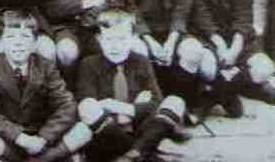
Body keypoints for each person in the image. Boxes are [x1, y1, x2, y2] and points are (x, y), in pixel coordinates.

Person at [0, 11, 90, 162]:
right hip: (10, 138)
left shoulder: (45, 65)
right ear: (0, 42)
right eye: (10, 37)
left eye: (25, 37)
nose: (18, 43)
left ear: (35, 44)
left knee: (83, 131)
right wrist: (19, 137)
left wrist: (44, 137)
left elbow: (67, 105)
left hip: (42, 137)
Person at [76, 9, 190, 162]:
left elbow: (156, 101)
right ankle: (143, 153)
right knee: (87, 107)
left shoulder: (141, 61)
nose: (115, 47)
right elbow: (87, 102)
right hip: (107, 135)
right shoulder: (89, 64)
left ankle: (132, 156)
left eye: (122, 40)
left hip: (139, 129)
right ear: (99, 39)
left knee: (175, 102)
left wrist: (121, 108)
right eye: (109, 40)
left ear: (133, 39)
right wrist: (135, 108)